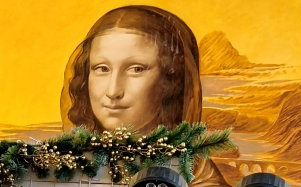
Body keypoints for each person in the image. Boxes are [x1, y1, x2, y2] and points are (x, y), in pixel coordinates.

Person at [62, 6, 202, 134]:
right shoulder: (69, 153)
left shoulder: (193, 155)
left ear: (172, 77)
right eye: (102, 68)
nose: (113, 92)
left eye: (136, 69)